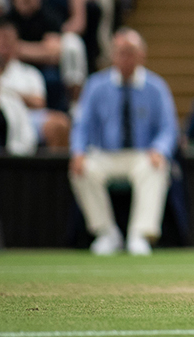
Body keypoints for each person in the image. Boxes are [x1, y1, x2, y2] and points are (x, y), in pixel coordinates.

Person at [68, 29, 179, 256]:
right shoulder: (96, 85)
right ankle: (106, 233)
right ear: (113, 55)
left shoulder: (156, 87)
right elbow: (82, 125)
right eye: (120, 53)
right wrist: (78, 151)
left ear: (142, 55)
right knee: (83, 169)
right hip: (105, 154)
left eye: (130, 52)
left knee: (155, 168)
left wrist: (159, 150)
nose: (125, 58)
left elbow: (169, 128)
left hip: (142, 155)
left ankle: (140, 234)